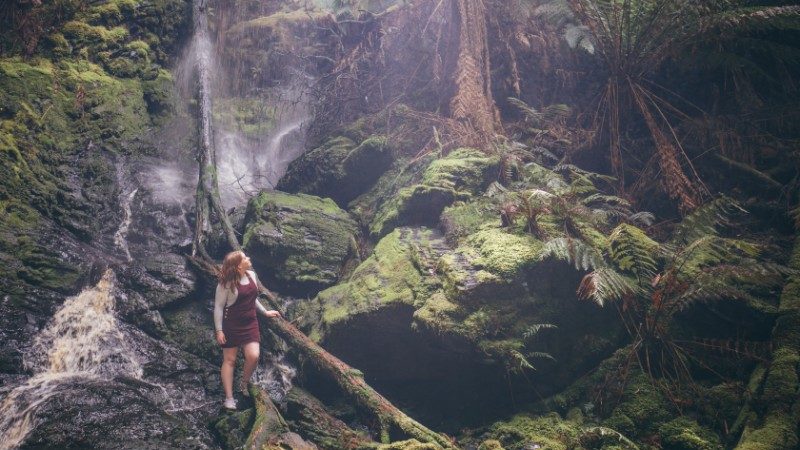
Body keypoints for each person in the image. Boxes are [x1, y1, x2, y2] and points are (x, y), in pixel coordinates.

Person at [214, 250, 281, 410]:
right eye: (244, 258)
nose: (248, 258)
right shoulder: (226, 284)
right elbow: (218, 307)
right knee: (230, 360)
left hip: (250, 322)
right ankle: (229, 398)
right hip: (231, 324)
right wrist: (219, 330)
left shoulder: (252, 275)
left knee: (253, 356)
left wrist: (265, 312)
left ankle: (243, 383)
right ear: (237, 266)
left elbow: (253, 297)